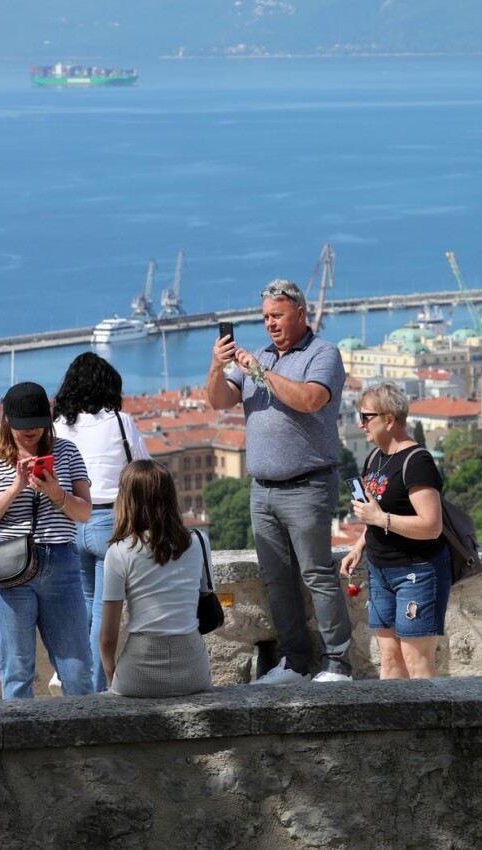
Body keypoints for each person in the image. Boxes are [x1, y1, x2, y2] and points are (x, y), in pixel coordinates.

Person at [204, 279, 354, 684]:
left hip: (308, 485)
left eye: (278, 315)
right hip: (262, 489)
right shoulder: (261, 359)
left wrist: (260, 370)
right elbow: (218, 400)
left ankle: (338, 664)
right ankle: (293, 663)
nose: (270, 324)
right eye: (266, 317)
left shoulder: (322, 354)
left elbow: (310, 400)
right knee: (277, 579)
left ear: (300, 313)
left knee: (318, 575)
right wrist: (218, 366)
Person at [0, 381, 94, 699]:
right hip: (6, 567)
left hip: (60, 564)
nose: (32, 432)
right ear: (7, 421)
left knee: (78, 670)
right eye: (25, 426)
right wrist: (15, 488)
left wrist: (55, 492)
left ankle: (82, 740)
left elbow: (84, 513)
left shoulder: (67, 453)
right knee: (17, 669)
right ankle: (19, 745)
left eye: (38, 425)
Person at [52, 352, 150, 694]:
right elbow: (145, 470)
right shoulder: (121, 422)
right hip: (110, 520)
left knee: (79, 609)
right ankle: (93, 690)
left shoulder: (57, 427)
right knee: (103, 610)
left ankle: (70, 680)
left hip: (67, 520)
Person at [340, 383, 449, 679]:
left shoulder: (417, 461)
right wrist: (359, 546)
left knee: (417, 661)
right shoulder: (374, 458)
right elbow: (375, 515)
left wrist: (380, 517)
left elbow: (431, 526)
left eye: (366, 417)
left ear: (389, 420)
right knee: (389, 660)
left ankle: (425, 724)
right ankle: (398, 725)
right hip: (380, 570)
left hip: (417, 570)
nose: (360, 423)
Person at [99, 461, 213, 698]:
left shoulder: (120, 552)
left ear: (126, 499)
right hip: (194, 670)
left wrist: (111, 673)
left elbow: (108, 637)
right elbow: (204, 598)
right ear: (171, 496)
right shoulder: (199, 541)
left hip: (140, 671)